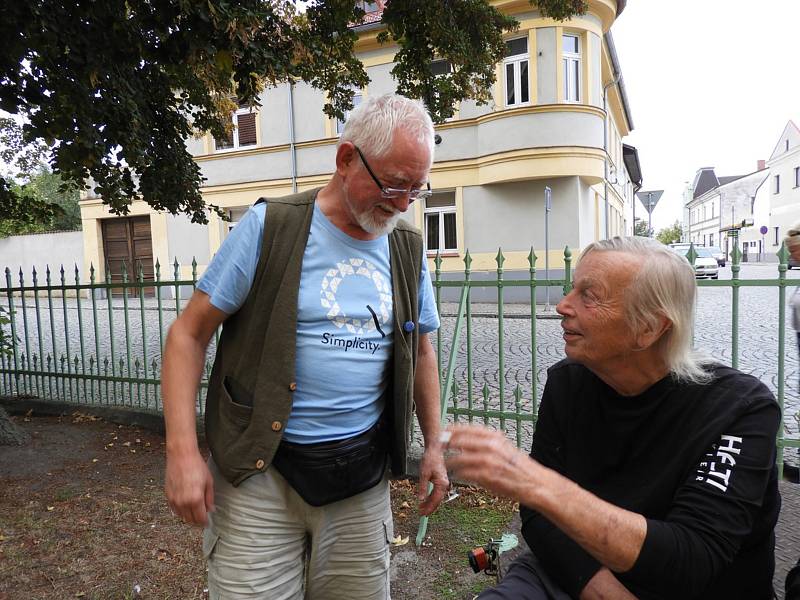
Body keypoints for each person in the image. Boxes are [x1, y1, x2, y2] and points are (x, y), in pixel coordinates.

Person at [162, 93, 449, 599]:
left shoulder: (405, 247)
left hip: (361, 480)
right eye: (393, 185)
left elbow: (421, 349)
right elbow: (188, 334)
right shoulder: (270, 227)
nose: (404, 204)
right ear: (345, 160)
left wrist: (435, 445)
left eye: (416, 189)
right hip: (258, 474)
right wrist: (182, 452)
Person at [445, 236, 781, 600]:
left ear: (649, 328)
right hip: (571, 575)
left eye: (588, 295)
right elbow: (539, 517)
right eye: (571, 289)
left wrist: (535, 482)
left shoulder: (739, 410)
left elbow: (692, 558)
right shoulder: (568, 381)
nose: (562, 306)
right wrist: (602, 591)